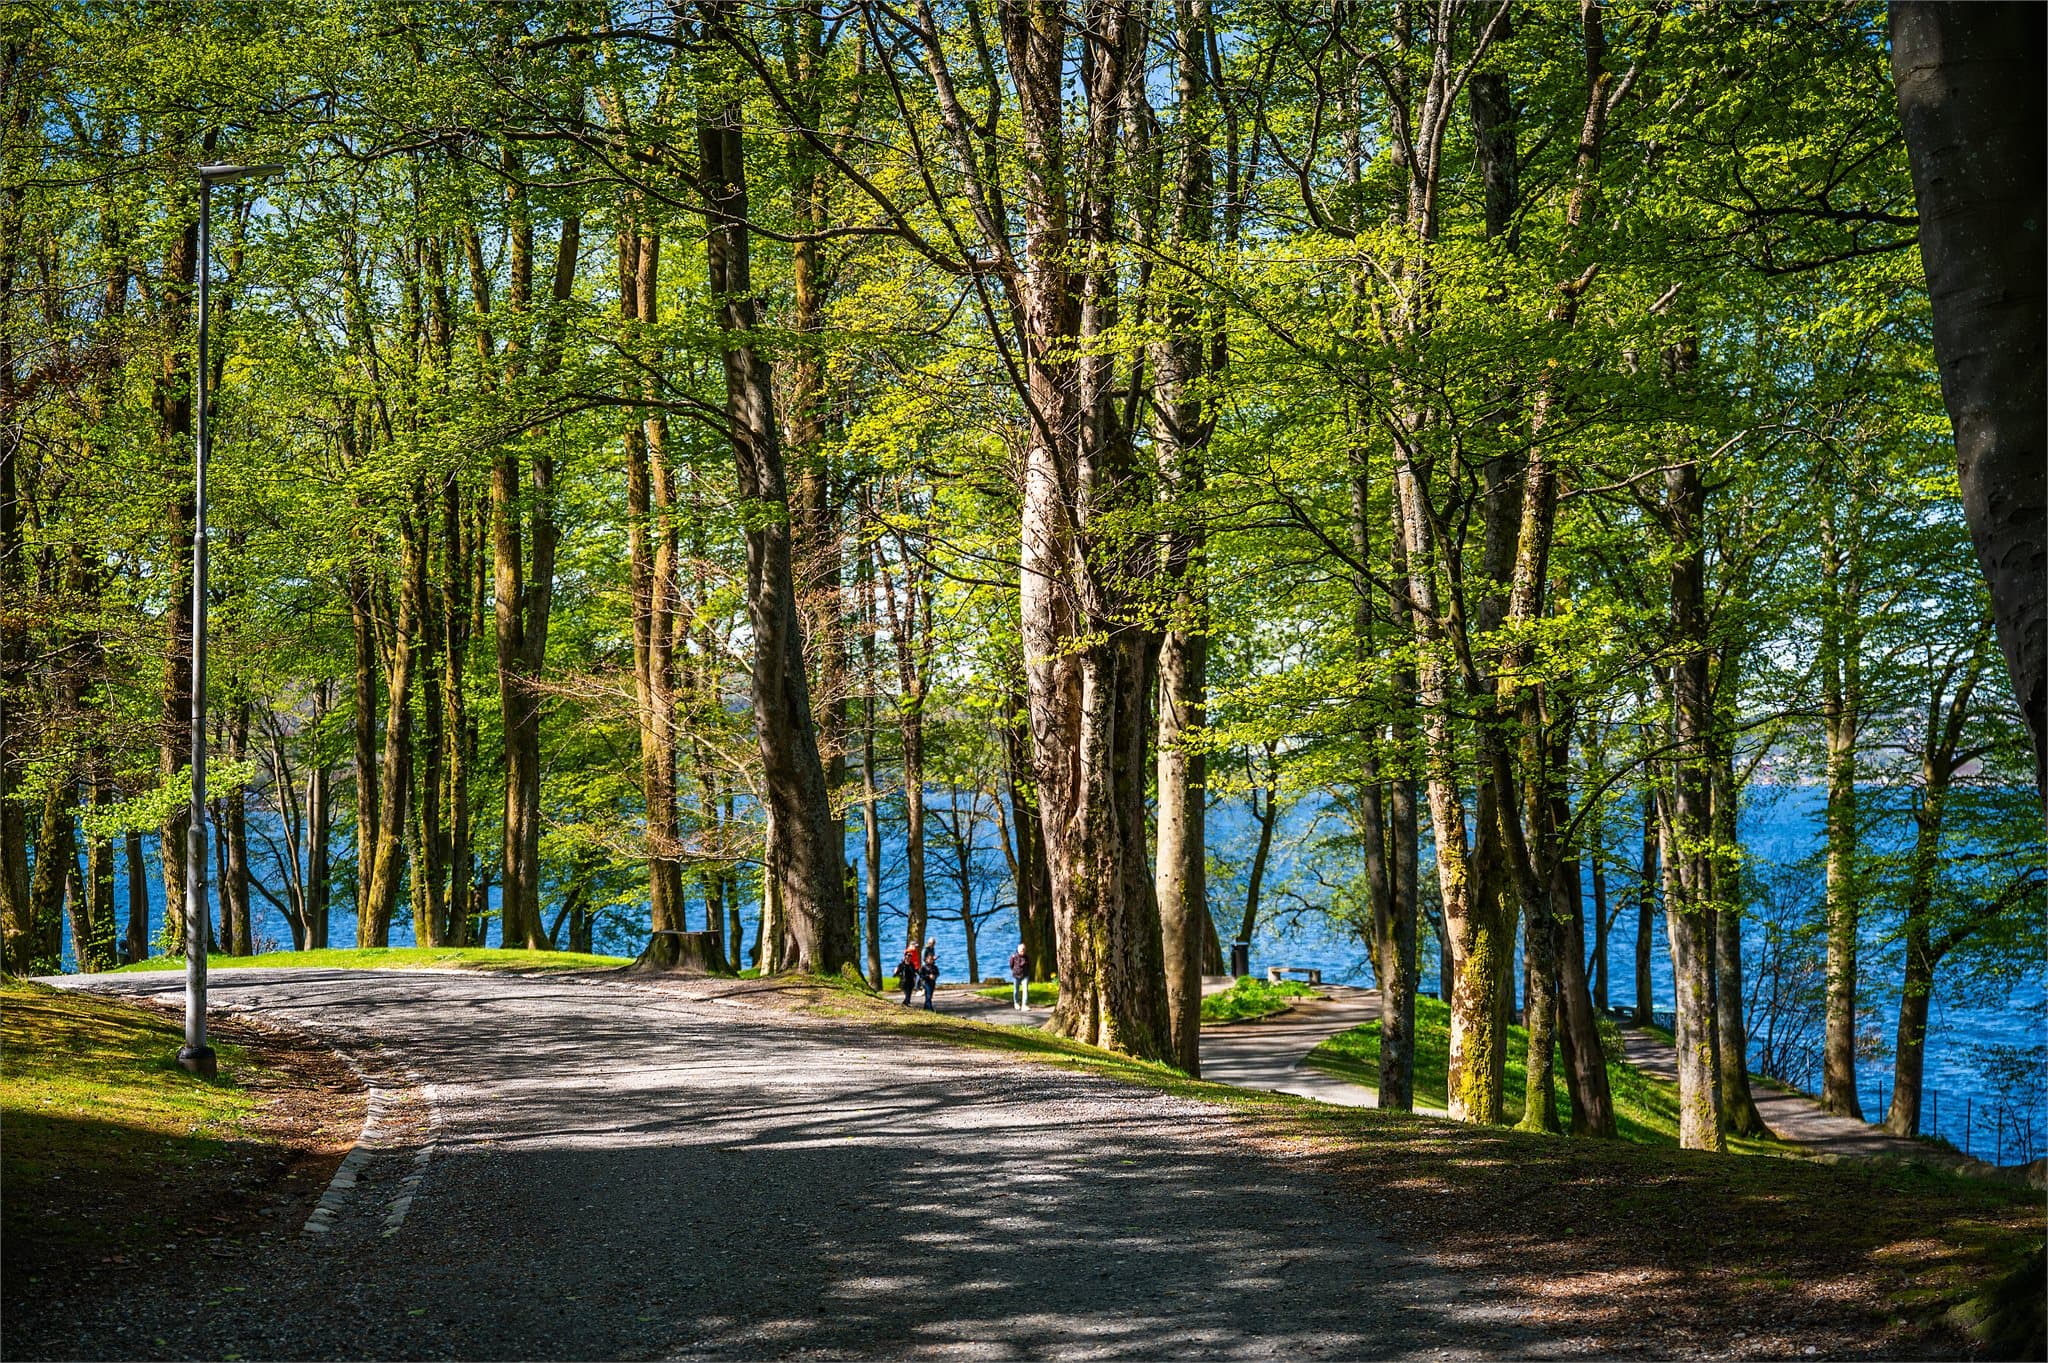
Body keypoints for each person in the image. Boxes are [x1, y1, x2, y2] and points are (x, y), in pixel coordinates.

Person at [917, 939, 939, 1010]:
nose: (933, 945)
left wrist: (933, 959)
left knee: (929, 994)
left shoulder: (932, 949)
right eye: (932, 944)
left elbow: (937, 973)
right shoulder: (925, 949)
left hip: (931, 968)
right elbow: (923, 958)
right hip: (926, 969)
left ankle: (926, 1007)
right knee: (928, 993)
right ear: (929, 943)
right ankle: (930, 1008)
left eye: (934, 944)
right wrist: (929, 960)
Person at [1009, 943, 1031, 1010]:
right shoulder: (1014, 956)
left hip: (1025, 975)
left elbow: (1029, 964)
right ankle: (1016, 1003)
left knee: (1025, 990)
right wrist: (1015, 970)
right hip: (1016, 975)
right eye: (1021, 950)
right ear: (1018, 950)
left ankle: (1024, 1005)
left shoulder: (1027, 957)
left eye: (1024, 950)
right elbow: (1011, 965)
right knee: (1016, 990)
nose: (1023, 951)